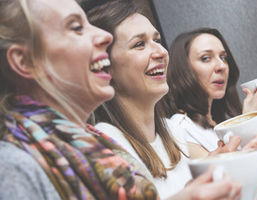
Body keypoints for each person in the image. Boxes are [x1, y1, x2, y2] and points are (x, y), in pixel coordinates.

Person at [0, 0, 244, 199]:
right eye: (76, 27)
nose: (103, 38)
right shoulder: (13, 167)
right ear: (25, 61)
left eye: (157, 41)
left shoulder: (93, 145)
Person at [84, 0, 257, 199]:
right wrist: (249, 123)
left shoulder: (172, 135)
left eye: (156, 40)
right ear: (104, 66)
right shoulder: (105, 144)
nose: (161, 52)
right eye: (139, 44)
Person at [164, 27, 257, 198]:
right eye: (206, 58)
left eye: (223, 58)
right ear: (183, 70)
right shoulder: (178, 128)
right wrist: (249, 123)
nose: (221, 66)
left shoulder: (219, 125)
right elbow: (230, 182)